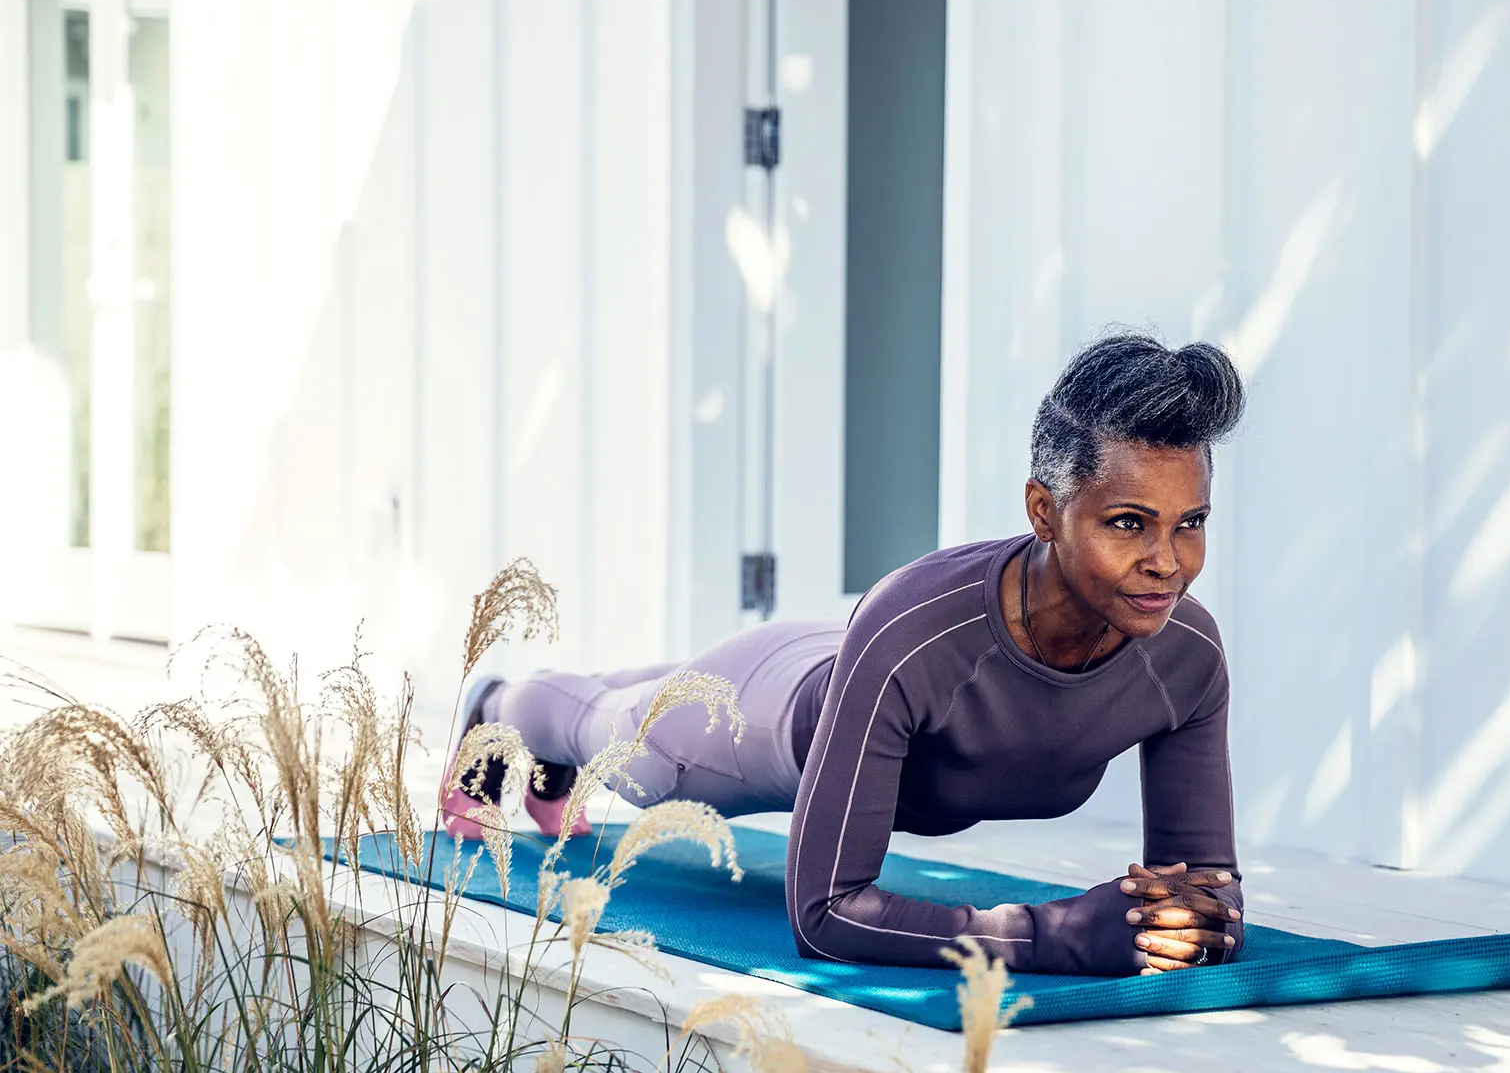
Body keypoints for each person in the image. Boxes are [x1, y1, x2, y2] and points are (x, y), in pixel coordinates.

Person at [441, 331, 1246, 977]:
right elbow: (825, 915)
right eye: (1129, 523)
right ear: (1044, 510)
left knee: (636, 693)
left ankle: (542, 740)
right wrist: (1059, 936)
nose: (1168, 561)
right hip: (761, 712)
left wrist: (1185, 921)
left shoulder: (1186, 657)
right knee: (615, 734)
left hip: (862, 663)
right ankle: (497, 706)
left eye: (1191, 522)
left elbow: (1208, 893)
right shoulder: (916, 631)